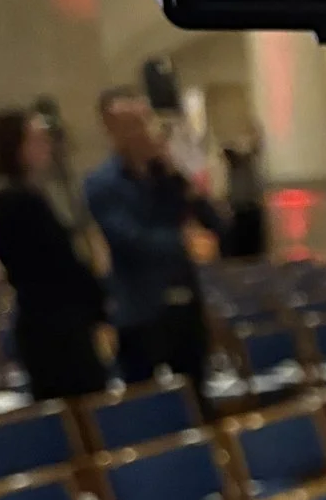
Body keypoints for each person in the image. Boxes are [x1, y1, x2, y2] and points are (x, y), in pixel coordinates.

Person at [83, 87, 224, 390]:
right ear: (112, 129)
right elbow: (130, 239)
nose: (143, 132)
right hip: (140, 310)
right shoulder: (102, 184)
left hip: (184, 304)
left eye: (145, 121)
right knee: (145, 398)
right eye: (132, 125)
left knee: (198, 394)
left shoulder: (167, 176)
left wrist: (180, 178)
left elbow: (214, 223)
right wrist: (183, 242)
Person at [0, 109, 110, 400]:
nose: (46, 147)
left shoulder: (20, 195)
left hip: (54, 321)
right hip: (54, 328)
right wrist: (99, 301)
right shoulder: (14, 201)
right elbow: (57, 265)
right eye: (36, 139)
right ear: (15, 147)